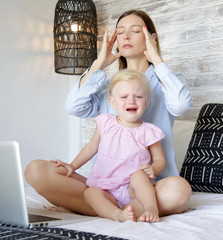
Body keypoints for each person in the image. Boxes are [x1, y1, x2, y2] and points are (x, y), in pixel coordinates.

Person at [25, 9, 193, 218]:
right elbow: (73, 107)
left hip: (146, 189)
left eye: (134, 31)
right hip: (104, 187)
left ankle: (100, 210)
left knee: (179, 190)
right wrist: (99, 63)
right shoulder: (108, 89)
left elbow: (181, 104)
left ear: (151, 38)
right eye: (120, 32)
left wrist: (157, 60)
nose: (126, 36)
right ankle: (112, 210)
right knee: (36, 170)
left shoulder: (165, 82)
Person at [55, 69, 166, 222]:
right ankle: (117, 215)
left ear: (146, 102)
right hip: (105, 187)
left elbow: (159, 159)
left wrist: (153, 169)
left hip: (132, 189)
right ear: (113, 102)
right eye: (124, 97)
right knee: (90, 193)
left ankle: (150, 208)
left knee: (139, 176)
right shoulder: (105, 122)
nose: (131, 101)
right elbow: (91, 147)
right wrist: (72, 166)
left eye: (138, 96)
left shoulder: (149, 131)